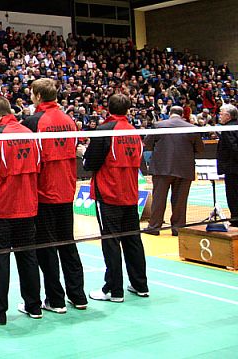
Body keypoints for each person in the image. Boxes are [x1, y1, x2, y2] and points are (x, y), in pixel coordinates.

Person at [22, 78, 88, 312]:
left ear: (38, 96)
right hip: (67, 190)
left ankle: (55, 300)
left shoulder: (33, 122)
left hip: (43, 193)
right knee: (68, 243)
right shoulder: (70, 121)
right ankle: (78, 296)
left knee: (46, 247)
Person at [0, 96, 42, 325]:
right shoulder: (30, 134)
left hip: (1, 207)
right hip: (27, 206)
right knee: (28, 256)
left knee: (0, 259)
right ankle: (34, 306)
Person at [83, 93, 149, 302]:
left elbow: (90, 163)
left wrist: (83, 154)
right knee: (133, 239)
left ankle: (114, 290)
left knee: (110, 241)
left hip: (108, 193)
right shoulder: (134, 132)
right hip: (130, 194)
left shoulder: (104, 130)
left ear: (108, 108)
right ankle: (140, 285)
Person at [143, 106, 204, 235]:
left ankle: (154, 227)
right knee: (180, 200)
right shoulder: (192, 128)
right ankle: (178, 228)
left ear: (169, 114)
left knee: (159, 199)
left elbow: (147, 144)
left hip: (162, 168)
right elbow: (200, 149)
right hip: (184, 169)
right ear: (182, 115)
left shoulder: (158, 126)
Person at [217, 104, 238, 227]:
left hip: (233, 169)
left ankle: (236, 219)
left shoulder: (228, 129)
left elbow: (234, 149)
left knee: (233, 195)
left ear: (228, 116)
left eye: (221, 113)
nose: (219, 116)